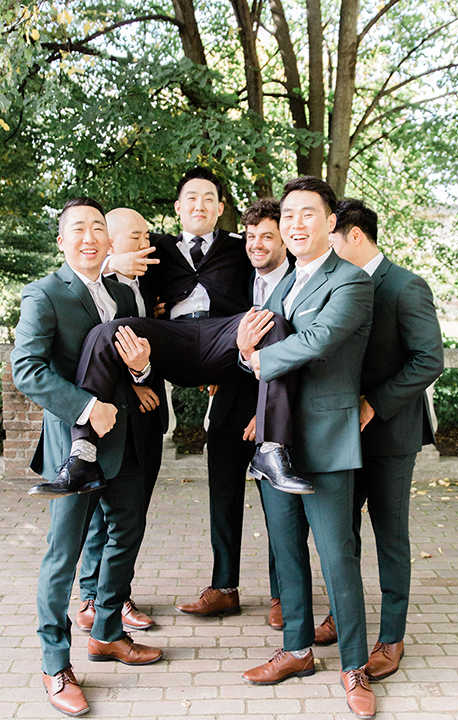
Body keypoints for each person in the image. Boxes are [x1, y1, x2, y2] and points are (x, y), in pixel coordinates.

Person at [30, 167, 312, 499]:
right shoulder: (159, 247)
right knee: (106, 332)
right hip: (172, 339)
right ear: (178, 207)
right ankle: (83, 456)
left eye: (209, 199)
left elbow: (280, 256)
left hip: (224, 340)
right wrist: (113, 263)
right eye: (191, 198)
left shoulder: (240, 245)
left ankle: (272, 449)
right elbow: (95, 262)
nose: (200, 205)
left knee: (272, 322)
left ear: (220, 209)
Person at [11, 198, 163, 717]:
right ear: (62, 240)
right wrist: (84, 406)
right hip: (72, 447)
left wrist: (141, 373)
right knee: (63, 554)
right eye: (78, 229)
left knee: (128, 531)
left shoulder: (122, 292)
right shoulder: (45, 294)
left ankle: (107, 632)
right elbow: (27, 369)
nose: (90, 237)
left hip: (127, 443)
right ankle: (56, 664)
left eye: (98, 228)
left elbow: (130, 366)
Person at [238, 177, 377, 719]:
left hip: (326, 436)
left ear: (330, 222)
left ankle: (354, 667)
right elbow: (254, 341)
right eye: (288, 214)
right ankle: (296, 651)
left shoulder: (352, 282)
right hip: (277, 439)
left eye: (307, 215)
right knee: (287, 552)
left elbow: (316, 343)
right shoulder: (281, 283)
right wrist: (245, 355)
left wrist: (252, 356)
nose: (295, 224)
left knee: (337, 556)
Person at [314, 198, 444, 680]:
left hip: (390, 433)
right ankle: (341, 616)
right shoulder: (331, 283)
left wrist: (374, 403)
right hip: (338, 434)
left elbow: (429, 360)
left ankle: (391, 637)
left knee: (390, 537)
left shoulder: (406, 285)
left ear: (353, 235)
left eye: (330, 238)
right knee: (339, 534)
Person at [176, 198, 294, 621]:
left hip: (273, 415)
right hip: (227, 405)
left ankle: (286, 595)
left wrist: (265, 414)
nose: (257, 244)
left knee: (278, 507)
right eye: (251, 236)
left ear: (285, 239)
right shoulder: (238, 280)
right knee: (222, 500)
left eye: (268, 236)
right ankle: (224, 587)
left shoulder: (299, 284)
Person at [75, 208, 168, 634]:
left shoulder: (148, 283)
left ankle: (114, 593)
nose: (146, 242)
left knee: (132, 512)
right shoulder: (96, 282)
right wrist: (134, 386)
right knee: (100, 515)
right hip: (106, 419)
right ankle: (94, 598)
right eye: (136, 236)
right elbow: (93, 359)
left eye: (147, 233)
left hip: (146, 418)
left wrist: (144, 376)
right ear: (111, 244)